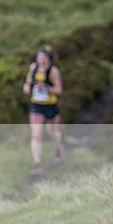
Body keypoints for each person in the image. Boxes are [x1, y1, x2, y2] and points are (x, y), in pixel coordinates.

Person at [22, 47, 65, 176]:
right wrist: (27, 88)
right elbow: (28, 82)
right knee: (35, 135)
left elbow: (59, 90)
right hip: (36, 106)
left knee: (52, 131)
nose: (41, 61)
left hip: (51, 106)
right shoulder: (33, 68)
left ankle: (58, 149)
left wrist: (46, 87)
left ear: (49, 60)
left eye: (44, 58)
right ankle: (37, 164)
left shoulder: (53, 71)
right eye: (39, 58)